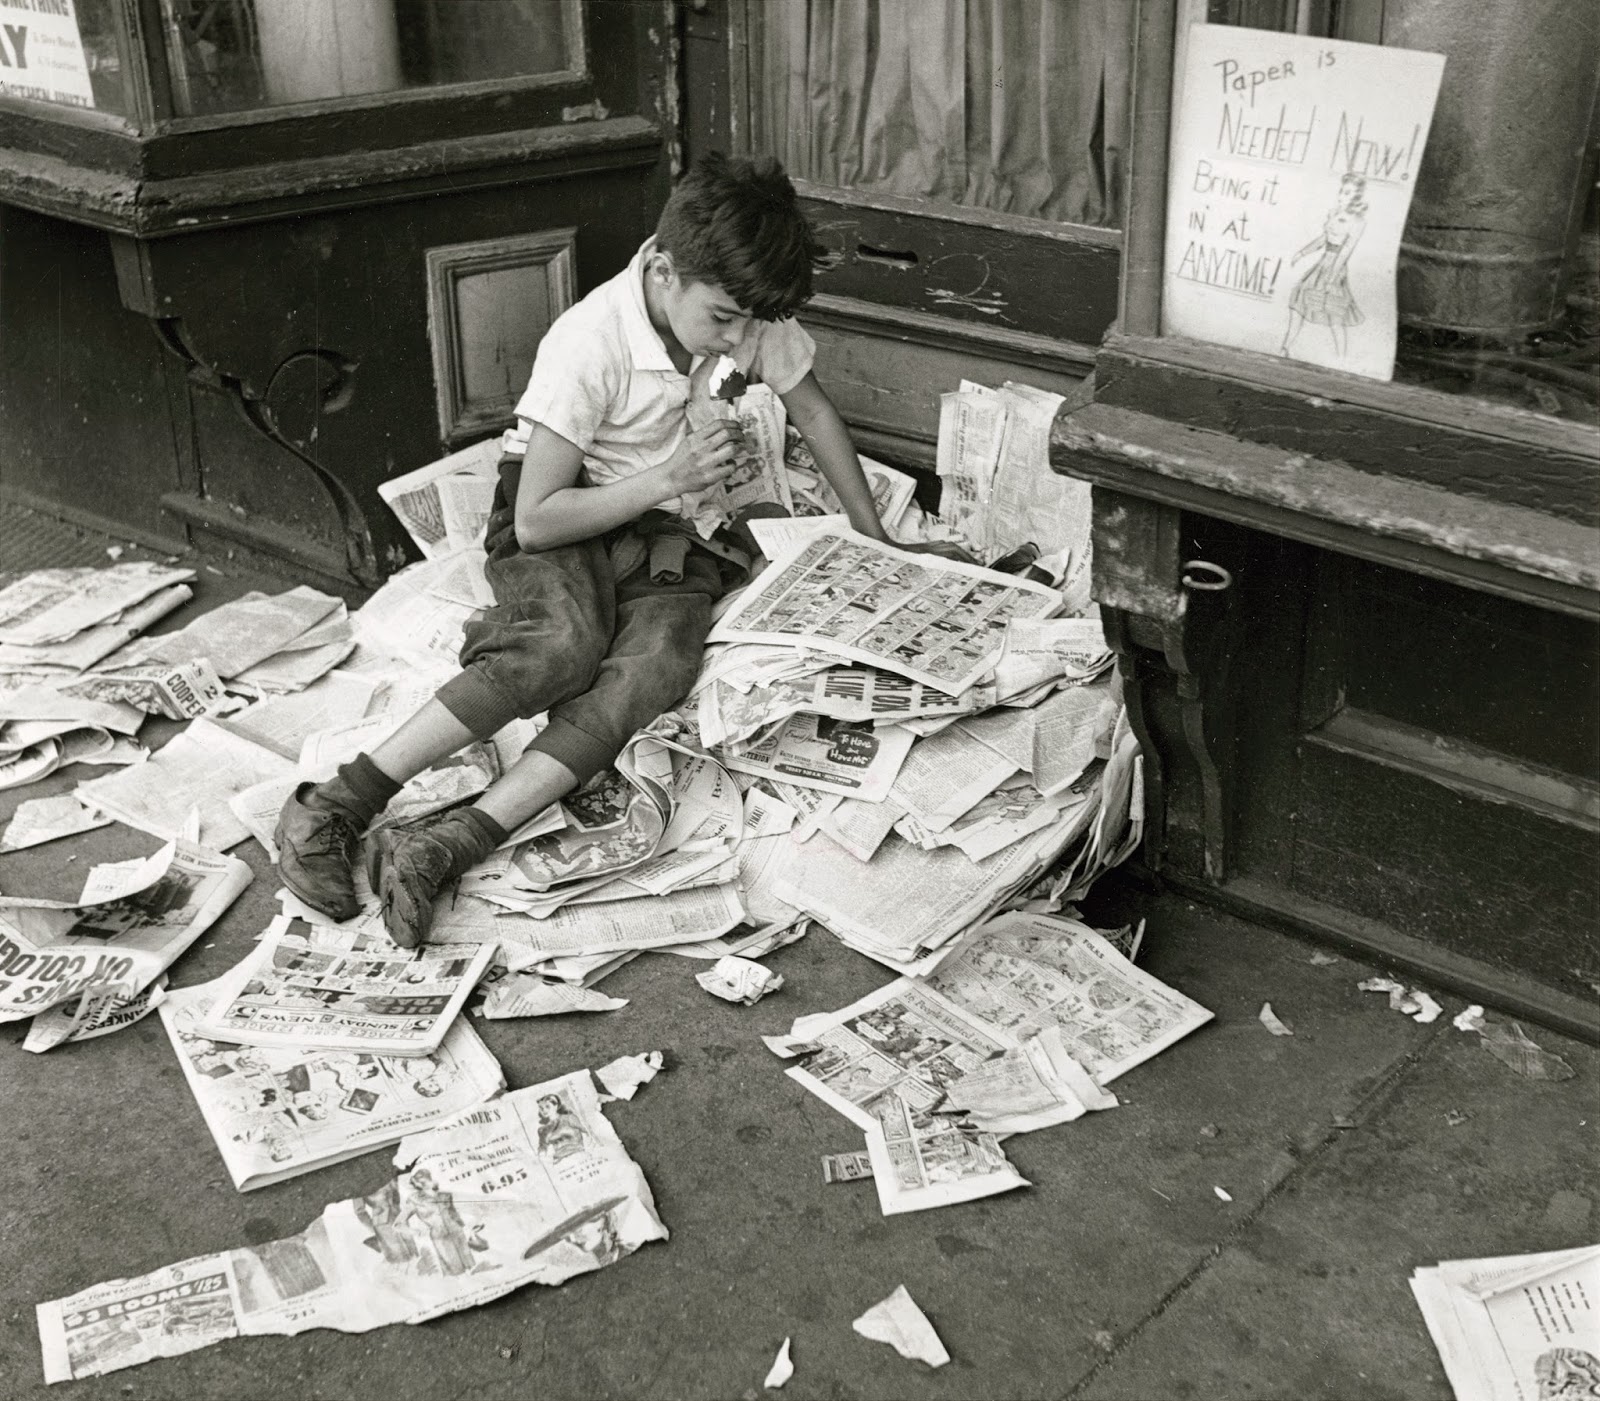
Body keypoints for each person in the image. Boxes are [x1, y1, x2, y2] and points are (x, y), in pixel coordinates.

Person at [274, 152, 964, 947]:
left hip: (664, 525)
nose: (739, 339)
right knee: (561, 644)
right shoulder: (589, 342)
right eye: (723, 319)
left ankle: (448, 843)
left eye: (749, 323)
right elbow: (537, 520)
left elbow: (811, 412)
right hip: (564, 505)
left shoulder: (743, 310)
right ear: (664, 270)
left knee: (657, 665)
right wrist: (669, 475)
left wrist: (875, 538)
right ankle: (336, 803)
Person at [1282, 173, 1368, 359]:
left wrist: (1331, 278)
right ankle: (1285, 347)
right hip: (1321, 265)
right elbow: (1323, 239)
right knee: (1299, 301)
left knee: (1335, 314)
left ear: (1356, 197)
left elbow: (1345, 251)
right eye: (1342, 191)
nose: (1341, 196)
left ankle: (1341, 359)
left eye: (1347, 193)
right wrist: (1302, 253)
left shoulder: (1358, 222)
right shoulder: (1334, 213)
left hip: (1336, 269)